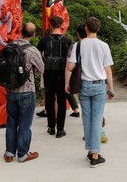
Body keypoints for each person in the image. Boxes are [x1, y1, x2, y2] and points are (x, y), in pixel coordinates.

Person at [65, 16, 114, 167]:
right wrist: (111, 89)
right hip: (99, 86)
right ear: (98, 29)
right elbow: (108, 71)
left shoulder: (79, 45)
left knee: (87, 119)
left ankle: (90, 150)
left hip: (84, 86)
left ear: (86, 28)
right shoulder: (104, 45)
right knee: (97, 118)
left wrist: (68, 81)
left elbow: (70, 67)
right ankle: (95, 154)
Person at [4, 22, 44, 163]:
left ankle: (9, 153)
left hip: (10, 90)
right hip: (27, 91)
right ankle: (23, 154)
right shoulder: (33, 51)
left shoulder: (10, 47)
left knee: (11, 122)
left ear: (20, 31)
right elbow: (41, 69)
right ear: (33, 34)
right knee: (25, 125)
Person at [37, 16, 72, 138]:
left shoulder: (44, 40)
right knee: (62, 101)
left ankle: (51, 127)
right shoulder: (68, 41)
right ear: (62, 26)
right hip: (62, 74)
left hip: (48, 73)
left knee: (50, 100)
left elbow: (38, 55)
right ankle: (60, 129)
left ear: (51, 25)